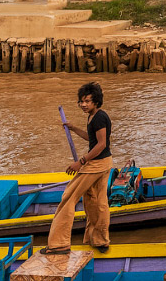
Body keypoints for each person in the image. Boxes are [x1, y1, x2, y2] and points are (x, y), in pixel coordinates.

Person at [41, 82, 113, 255]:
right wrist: (73, 129)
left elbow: (102, 144)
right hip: (103, 163)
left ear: (96, 101)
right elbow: (92, 139)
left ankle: (59, 244)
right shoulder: (93, 117)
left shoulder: (100, 117)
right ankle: (99, 240)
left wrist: (81, 162)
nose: (83, 105)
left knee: (68, 197)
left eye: (87, 101)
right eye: (81, 101)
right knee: (95, 201)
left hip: (96, 164)